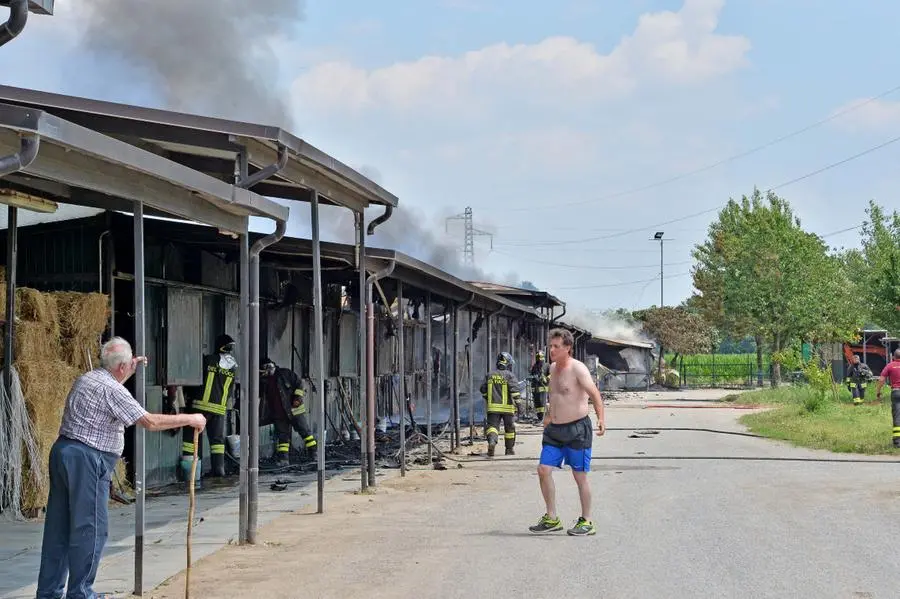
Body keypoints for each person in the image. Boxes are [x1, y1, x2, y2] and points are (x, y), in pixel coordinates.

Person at [36, 337, 206, 599]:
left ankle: (48, 593)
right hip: (87, 459)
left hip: (63, 453)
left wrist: (128, 367)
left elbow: (111, 390)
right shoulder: (114, 391)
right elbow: (149, 421)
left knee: (59, 528)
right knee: (90, 529)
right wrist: (190, 418)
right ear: (121, 368)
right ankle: (81, 593)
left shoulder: (88, 379)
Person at [530, 328, 605, 537]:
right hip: (554, 430)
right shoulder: (552, 369)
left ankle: (587, 520)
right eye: (550, 346)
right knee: (543, 470)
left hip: (577, 430)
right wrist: (547, 416)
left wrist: (601, 419)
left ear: (568, 348)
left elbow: (595, 394)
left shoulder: (578, 369)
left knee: (579, 476)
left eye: (556, 346)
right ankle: (552, 517)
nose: (551, 350)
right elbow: (554, 396)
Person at [181, 333, 237, 478]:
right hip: (219, 409)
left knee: (190, 438)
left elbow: (194, 381)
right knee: (217, 441)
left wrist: (187, 396)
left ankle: (191, 473)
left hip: (200, 407)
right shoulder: (232, 366)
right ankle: (219, 470)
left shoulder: (208, 360)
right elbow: (230, 390)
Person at [260, 357, 317, 467]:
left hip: (295, 410)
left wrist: (298, 398)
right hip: (279, 413)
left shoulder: (285, 374)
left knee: (305, 432)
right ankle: (283, 459)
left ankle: (314, 454)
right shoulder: (264, 381)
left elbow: (299, 383)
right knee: (283, 437)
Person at [875, 349, 900, 448]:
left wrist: (878, 392)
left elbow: (881, 379)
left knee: (897, 416)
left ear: (893, 357)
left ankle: (897, 442)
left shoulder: (890, 365)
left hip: (896, 392)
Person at [529, 350, 550, 422]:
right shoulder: (535, 366)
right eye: (538, 357)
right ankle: (540, 418)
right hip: (535, 389)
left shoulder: (547, 365)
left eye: (540, 357)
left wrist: (546, 378)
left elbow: (551, 374)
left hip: (543, 388)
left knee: (542, 403)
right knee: (537, 405)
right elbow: (531, 375)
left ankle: (543, 418)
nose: (539, 359)